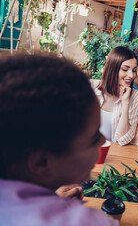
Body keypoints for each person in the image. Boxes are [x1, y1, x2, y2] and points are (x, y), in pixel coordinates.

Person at [0, 54, 117, 225]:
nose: (103, 140)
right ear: (41, 163)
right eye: (93, 139)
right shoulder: (84, 222)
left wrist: (52, 199)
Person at [92, 46, 138, 145]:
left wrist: (125, 102)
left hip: (112, 154)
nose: (131, 75)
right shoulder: (93, 88)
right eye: (125, 69)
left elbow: (123, 139)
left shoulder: (136, 97)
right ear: (112, 69)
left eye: (134, 70)